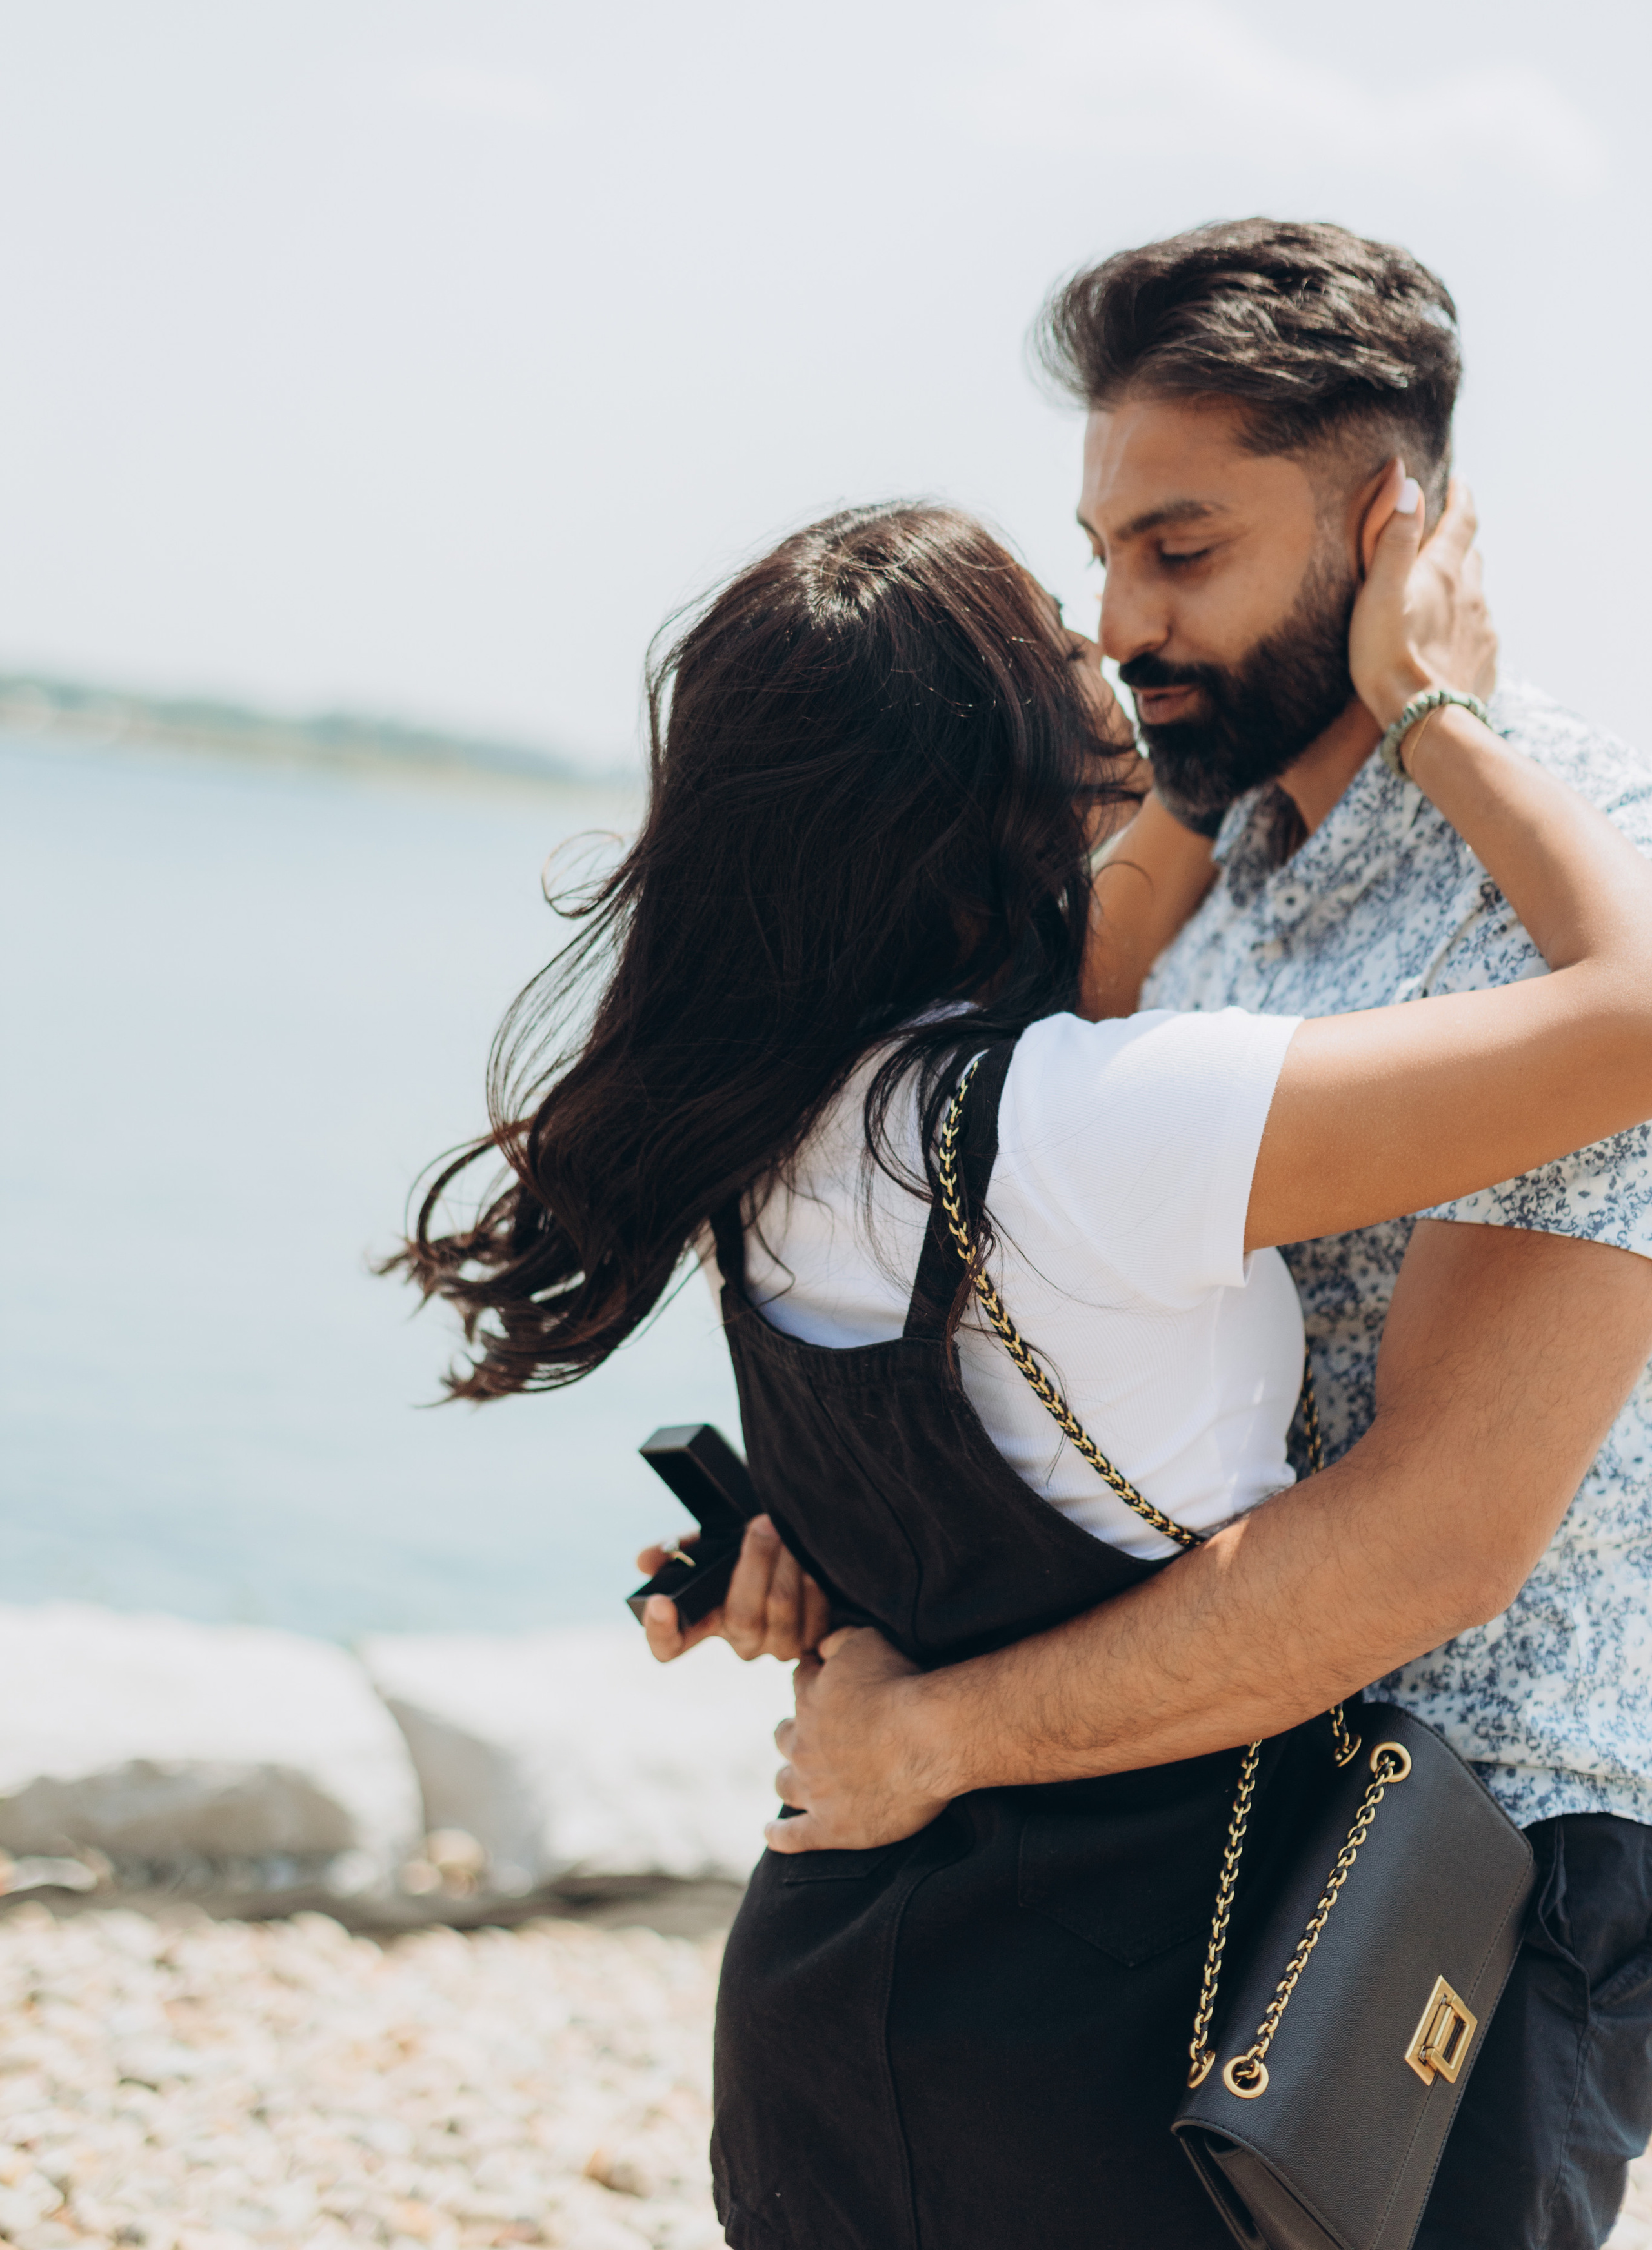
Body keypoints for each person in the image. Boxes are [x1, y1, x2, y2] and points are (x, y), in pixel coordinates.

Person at [397, 477, 1652, 2249]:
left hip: (836, 1996)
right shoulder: (1095, 1123)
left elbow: (1096, 942)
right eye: (1062, 632)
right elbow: (1636, 1020)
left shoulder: (758, 1120)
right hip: (1132, 2004)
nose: (1117, 640)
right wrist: (1438, 706)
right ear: (991, 764)